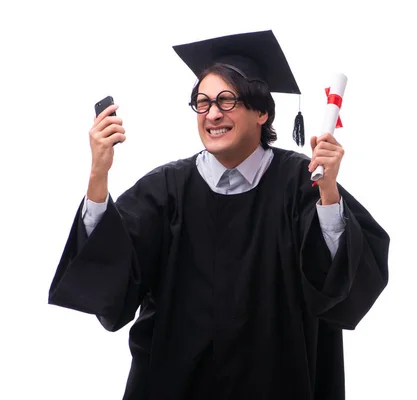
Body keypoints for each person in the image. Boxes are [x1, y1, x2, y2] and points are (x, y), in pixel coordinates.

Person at [49, 30, 390, 400]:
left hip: (277, 381)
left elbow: (337, 283)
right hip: (178, 385)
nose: (212, 114)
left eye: (227, 101)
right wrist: (99, 175)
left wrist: (328, 192)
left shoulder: (301, 185)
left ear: (262, 112)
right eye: (203, 102)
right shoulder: (166, 190)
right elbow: (112, 279)